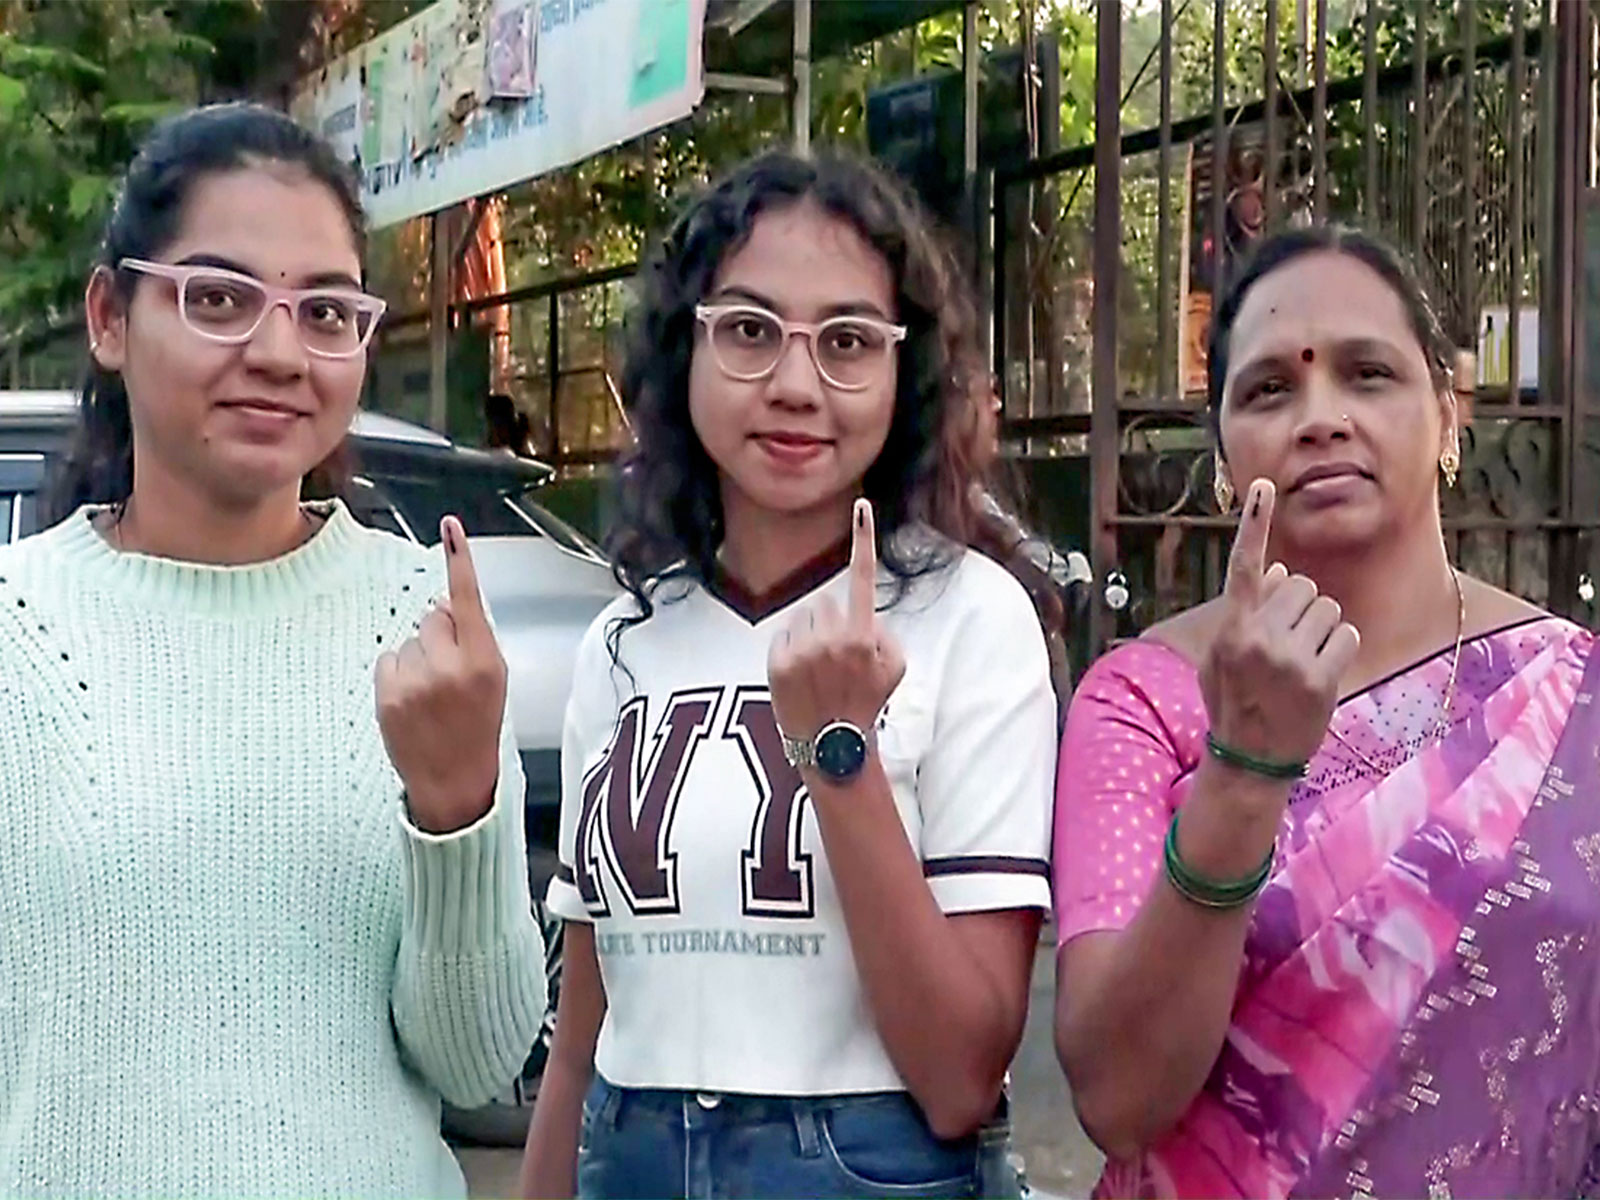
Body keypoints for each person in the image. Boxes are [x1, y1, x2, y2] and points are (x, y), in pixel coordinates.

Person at [0, 103, 544, 1196]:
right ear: (111, 316)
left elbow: (480, 1062)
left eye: (327, 311)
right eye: (217, 298)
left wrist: (458, 804)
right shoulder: (20, 630)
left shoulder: (426, 626)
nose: (279, 352)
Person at [519, 150, 1057, 1200]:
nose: (798, 385)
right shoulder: (626, 640)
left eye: (849, 341)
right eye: (750, 332)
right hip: (629, 1155)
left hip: (865, 1167)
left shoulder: (969, 617)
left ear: (907, 374)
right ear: (686, 351)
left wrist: (838, 753)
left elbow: (960, 1077)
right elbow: (583, 1040)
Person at [1051, 224, 1600, 1199]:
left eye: (1368, 374)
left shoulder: (1571, 694)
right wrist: (1242, 774)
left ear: (1448, 414)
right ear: (1221, 456)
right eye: (1269, 389)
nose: (1320, 417)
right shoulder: (1147, 699)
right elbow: (1118, 1096)